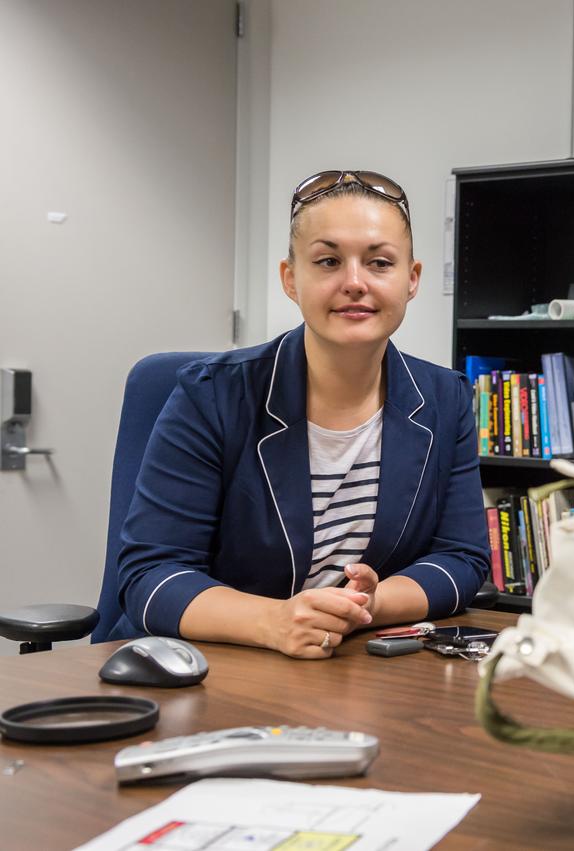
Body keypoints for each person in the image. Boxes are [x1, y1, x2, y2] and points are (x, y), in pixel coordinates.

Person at [112, 170, 489, 658]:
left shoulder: (444, 398)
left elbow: (461, 557)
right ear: (291, 278)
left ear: (411, 279)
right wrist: (273, 621)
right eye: (328, 261)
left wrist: (369, 604)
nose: (354, 282)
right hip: (207, 667)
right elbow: (150, 575)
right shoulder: (211, 395)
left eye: (379, 262)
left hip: (346, 667)